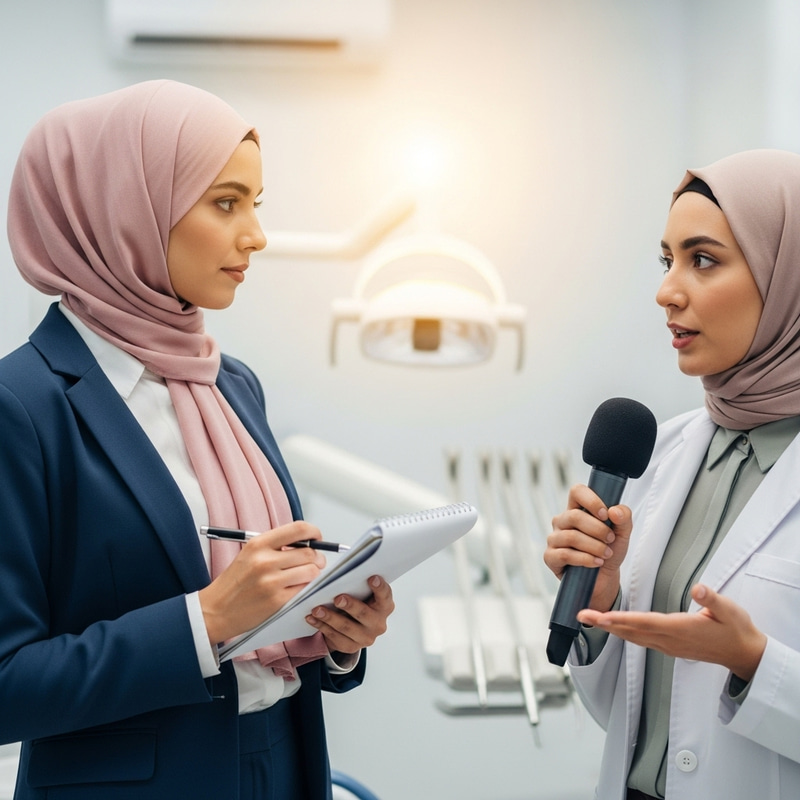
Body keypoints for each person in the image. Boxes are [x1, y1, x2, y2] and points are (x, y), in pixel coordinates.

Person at [0, 79, 395, 800]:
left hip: (282, 763)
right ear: (128, 209)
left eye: (255, 204)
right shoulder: (21, 406)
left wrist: (336, 635)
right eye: (225, 202)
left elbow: (267, 616)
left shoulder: (232, 384)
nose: (256, 235)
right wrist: (204, 621)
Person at [544, 149, 800, 800]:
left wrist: (753, 664)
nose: (666, 291)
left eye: (703, 259)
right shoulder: (668, 450)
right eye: (667, 260)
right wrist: (599, 605)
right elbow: (631, 716)